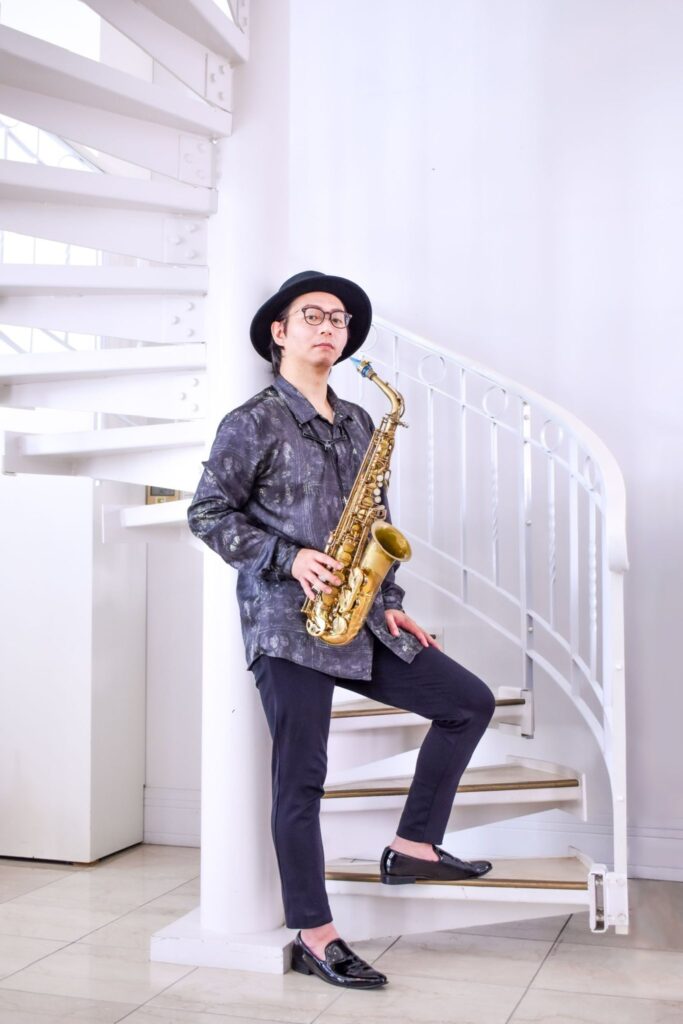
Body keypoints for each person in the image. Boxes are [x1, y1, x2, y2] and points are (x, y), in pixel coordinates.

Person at [187, 270, 496, 990]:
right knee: (301, 779)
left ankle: (414, 846)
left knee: (468, 703)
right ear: (280, 332)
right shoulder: (252, 421)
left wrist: (387, 597)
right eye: (313, 315)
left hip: (359, 614)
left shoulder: (359, 420)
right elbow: (206, 513)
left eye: (339, 319)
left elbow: (375, 521)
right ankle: (316, 932)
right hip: (286, 623)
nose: (329, 327)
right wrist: (288, 557)